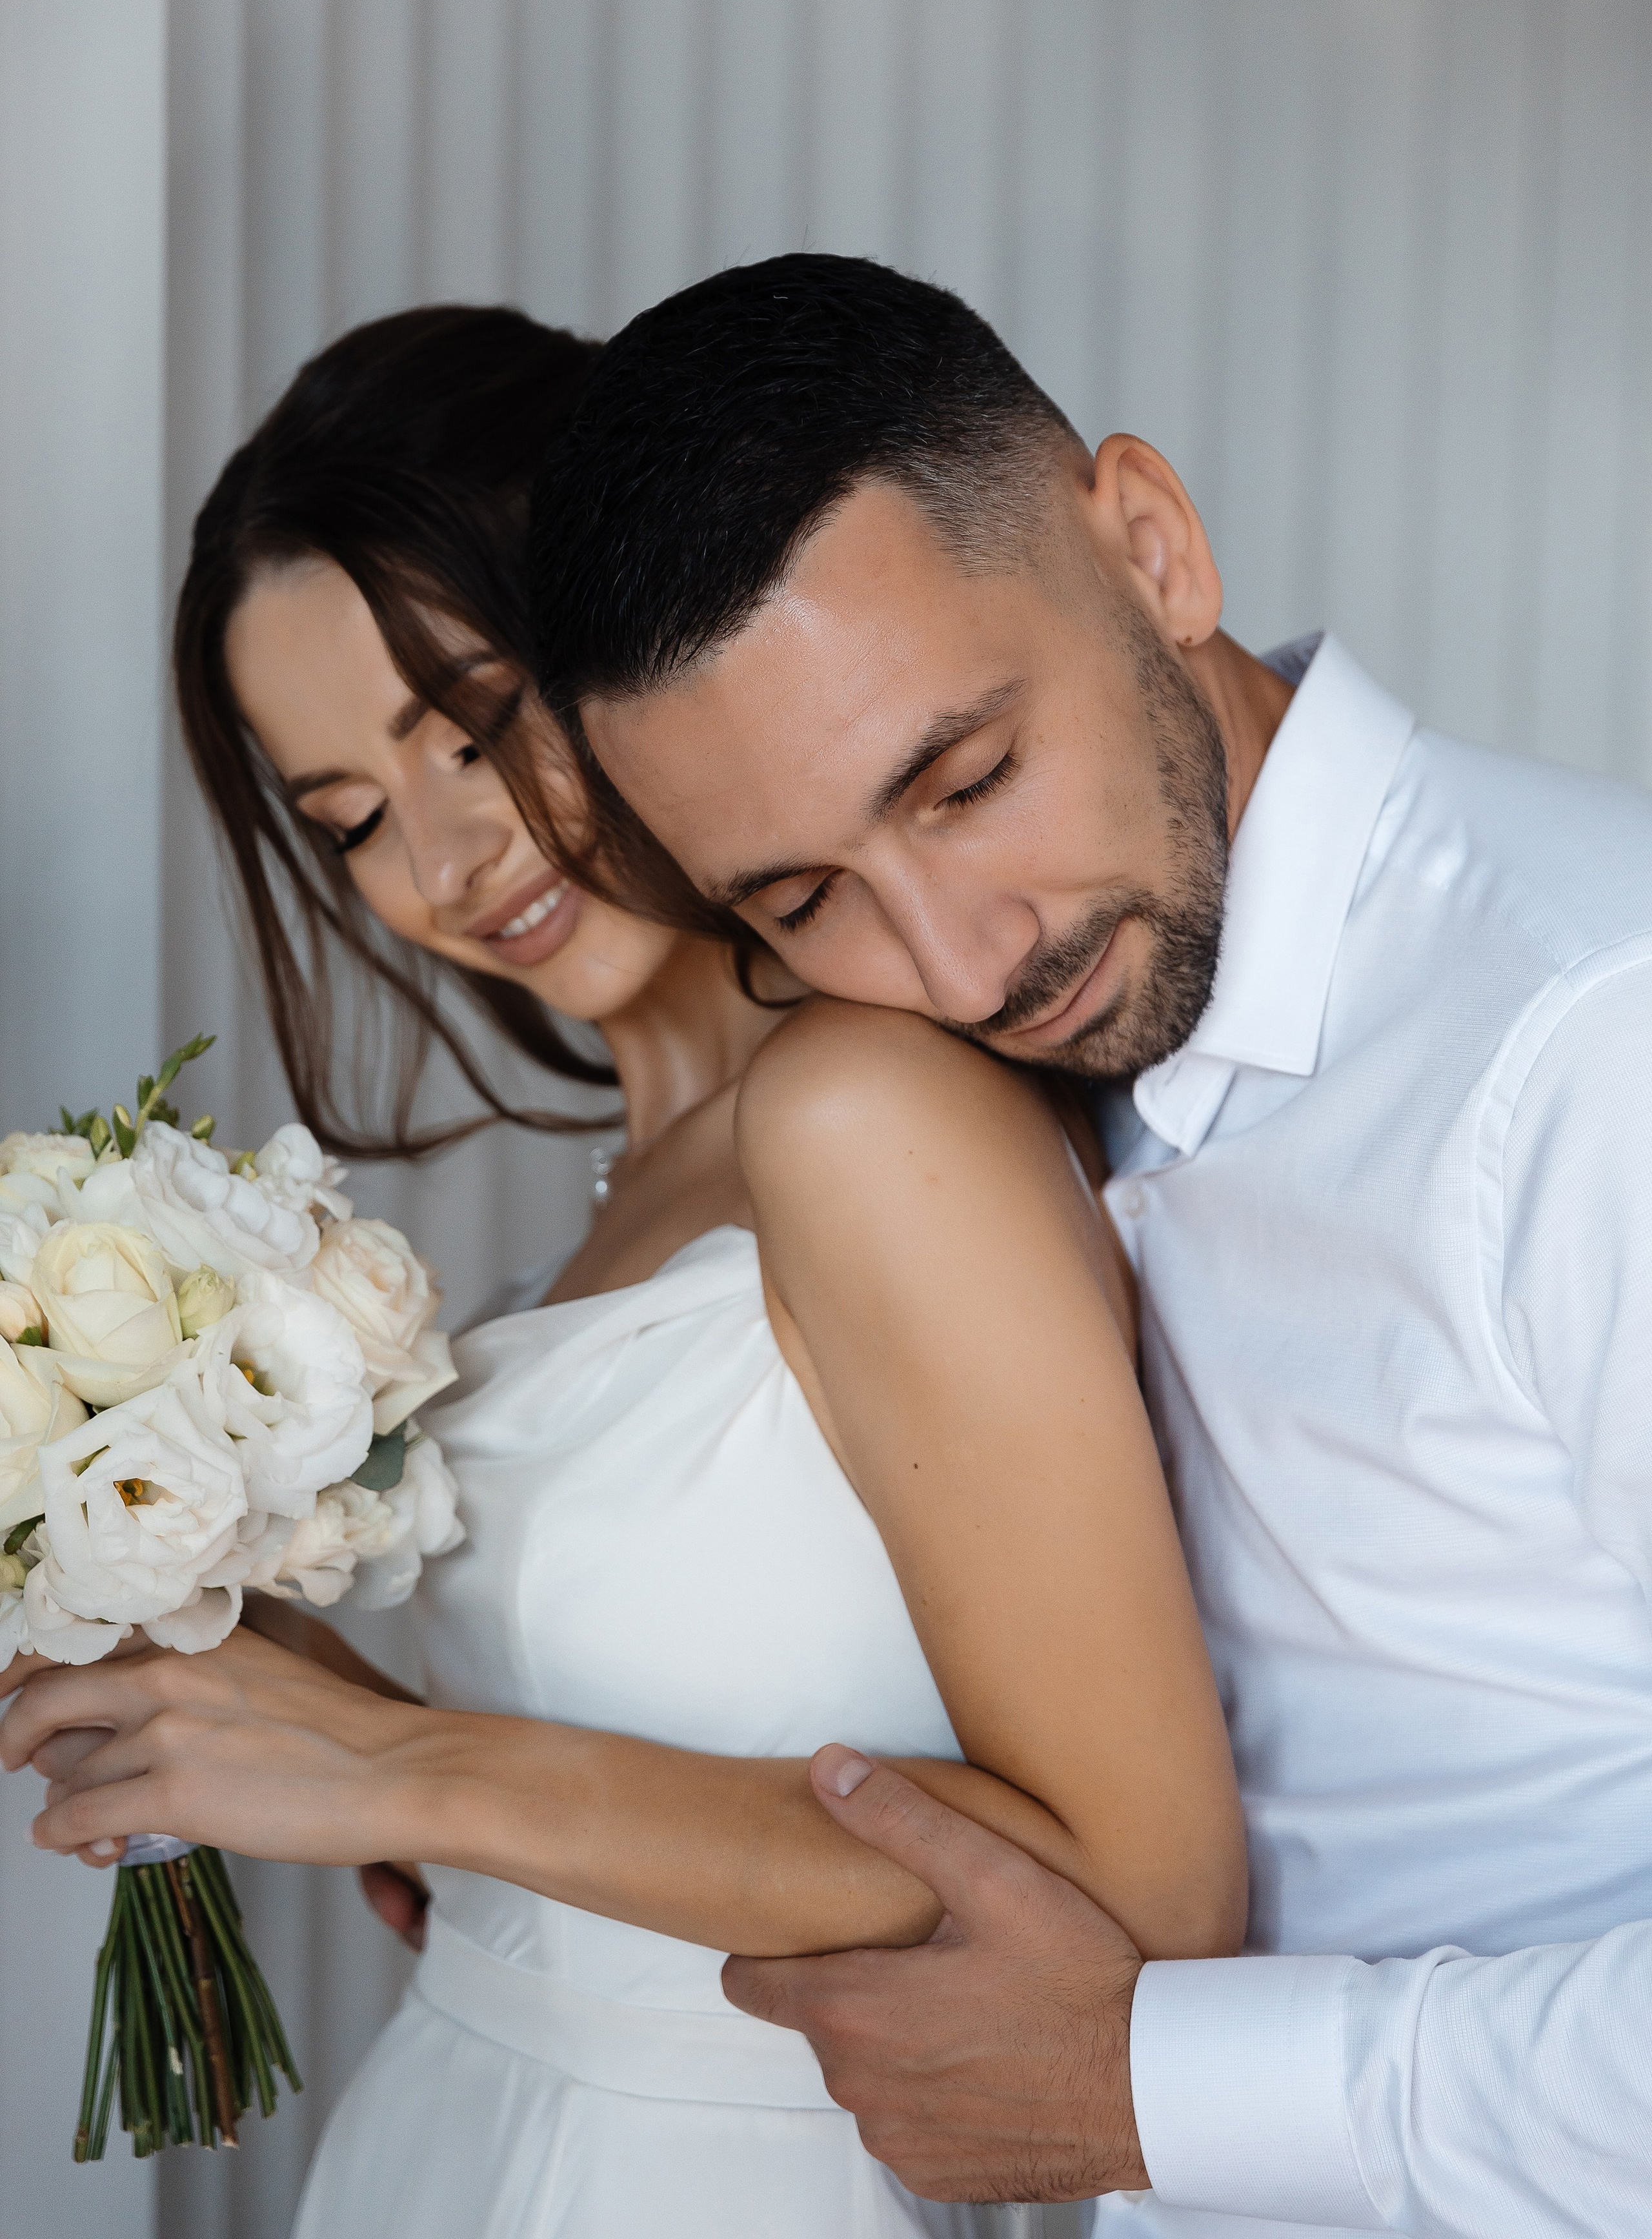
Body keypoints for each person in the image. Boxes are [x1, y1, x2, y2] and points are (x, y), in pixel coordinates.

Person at [1, 304, 1245, 2239]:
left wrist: (406, 1771)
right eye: (348, 821)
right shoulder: (631, 1183)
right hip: (463, 2134)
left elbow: (1141, 1898)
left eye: (473, 728)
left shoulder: (863, 1116)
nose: (444, 858)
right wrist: (246, 1674)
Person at [517, 252, 1652, 2236]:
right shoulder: (1007, 1061)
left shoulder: (1592, 1045)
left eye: (965, 781)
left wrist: (1151, 2084)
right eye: (804, 896)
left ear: (1153, 547)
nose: (959, 957)